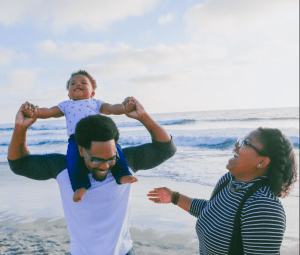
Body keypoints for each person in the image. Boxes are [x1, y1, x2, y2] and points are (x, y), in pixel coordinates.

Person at [8, 97, 177, 255]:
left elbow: (167, 149)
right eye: (96, 160)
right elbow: (19, 164)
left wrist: (143, 116)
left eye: (111, 158)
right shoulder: (62, 167)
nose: (105, 166)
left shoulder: (125, 163)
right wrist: (20, 128)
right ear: (81, 150)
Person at [147, 128, 297, 254]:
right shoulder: (228, 181)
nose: (236, 144)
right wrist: (174, 197)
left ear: (262, 162)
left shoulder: (263, 207)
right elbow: (212, 212)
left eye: (245, 143)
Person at [23, 70, 137, 202]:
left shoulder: (95, 102)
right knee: (72, 159)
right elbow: (48, 112)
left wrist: (124, 108)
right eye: (73, 84)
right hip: (76, 138)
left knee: (115, 150)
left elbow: (111, 108)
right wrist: (34, 111)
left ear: (92, 93)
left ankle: (122, 174)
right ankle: (80, 185)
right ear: (69, 94)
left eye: (83, 82)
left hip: (98, 135)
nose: (78, 85)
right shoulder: (66, 105)